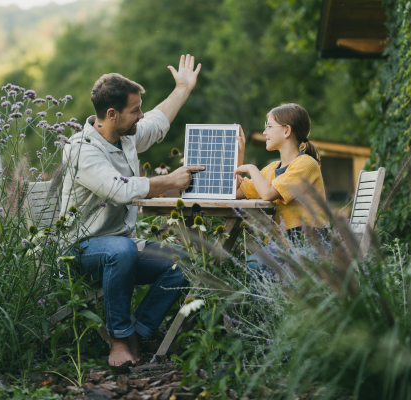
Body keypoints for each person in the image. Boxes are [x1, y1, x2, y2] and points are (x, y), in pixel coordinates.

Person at [60, 55, 203, 367]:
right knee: (121, 249)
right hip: (80, 248)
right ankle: (119, 339)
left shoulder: (124, 135)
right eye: (135, 110)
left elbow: (157, 122)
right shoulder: (82, 150)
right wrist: (170, 180)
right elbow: (122, 190)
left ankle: (138, 331)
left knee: (183, 261)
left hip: (122, 246)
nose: (140, 115)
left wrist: (182, 89)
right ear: (112, 114)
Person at [233, 103, 330, 275]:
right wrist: (239, 155)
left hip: (309, 244)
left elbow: (268, 193)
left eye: (269, 127)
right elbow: (235, 192)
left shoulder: (306, 164)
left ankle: (267, 302)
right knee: (250, 264)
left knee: (253, 265)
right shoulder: (271, 169)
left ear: (286, 131)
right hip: (284, 244)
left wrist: (251, 168)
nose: (264, 133)